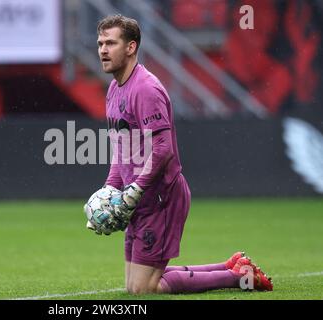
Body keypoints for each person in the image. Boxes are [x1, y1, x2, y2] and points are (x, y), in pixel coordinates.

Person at [92, 14, 272, 294]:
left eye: (111, 43)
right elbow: (122, 148)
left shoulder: (145, 89)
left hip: (160, 197)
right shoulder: (115, 88)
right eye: (101, 43)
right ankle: (233, 266)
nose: (103, 49)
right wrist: (109, 188)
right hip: (137, 199)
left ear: (131, 47)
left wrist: (136, 189)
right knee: (134, 285)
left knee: (145, 288)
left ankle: (236, 277)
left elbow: (163, 150)